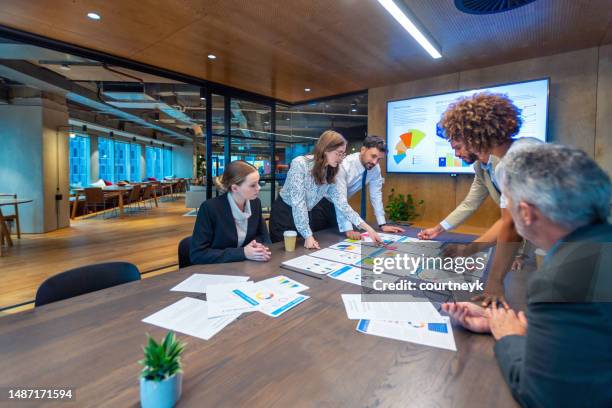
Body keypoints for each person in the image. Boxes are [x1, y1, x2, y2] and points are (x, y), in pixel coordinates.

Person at [443, 144, 612, 407]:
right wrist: (502, 322)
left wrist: (508, 336)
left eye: (507, 203)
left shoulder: (564, 280)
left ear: (525, 212)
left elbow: (542, 395)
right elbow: (593, 340)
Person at [419, 92, 540, 306]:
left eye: (457, 143)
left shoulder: (513, 161)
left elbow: (511, 225)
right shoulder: (519, 150)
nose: (455, 152)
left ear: (473, 137)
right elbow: (506, 219)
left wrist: (494, 283)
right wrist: (467, 250)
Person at [269, 130, 383, 249]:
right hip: (284, 216)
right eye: (338, 153)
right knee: (284, 257)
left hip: (305, 217)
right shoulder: (300, 164)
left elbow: (342, 204)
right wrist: (308, 235)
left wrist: (368, 229)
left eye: (343, 154)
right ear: (325, 149)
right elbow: (298, 203)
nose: (341, 158)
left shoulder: (331, 171)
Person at [190, 160, 271, 264]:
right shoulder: (210, 208)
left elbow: (264, 237)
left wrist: (257, 246)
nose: (258, 188)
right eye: (253, 185)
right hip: (218, 272)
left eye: (258, 183)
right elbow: (197, 255)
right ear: (235, 188)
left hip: (248, 267)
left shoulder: (255, 203)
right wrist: (243, 253)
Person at [335, 135, 405, 240]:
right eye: (373, 156)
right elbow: (339, 200)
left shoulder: (375, 169)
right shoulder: (344, 166)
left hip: (342, 207)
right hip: (323, 204)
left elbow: (376, 195)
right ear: (363, 150)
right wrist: (348, 229)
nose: (375, 162)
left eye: (379, 159)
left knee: (332, 237)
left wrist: (382, 224)